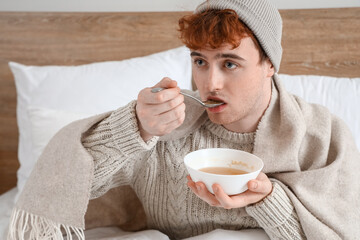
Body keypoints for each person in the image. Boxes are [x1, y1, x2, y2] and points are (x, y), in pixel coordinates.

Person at [8, 0, 360, 239]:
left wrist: (266, 199)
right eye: (200, 61)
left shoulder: (321, 136)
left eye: (230, 63)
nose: (209, 83)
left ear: (270, 65)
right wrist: (133, 128)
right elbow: (72, 180)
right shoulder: (166, 125)